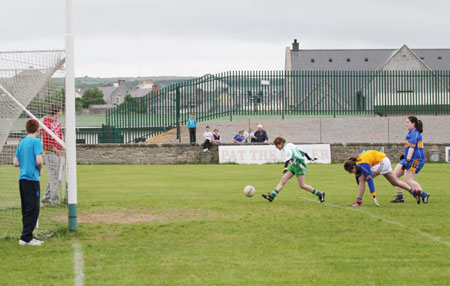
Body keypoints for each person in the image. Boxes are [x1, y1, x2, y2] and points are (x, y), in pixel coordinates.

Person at [343, 150, 424, 207]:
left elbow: (369, 180)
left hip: (382, 162)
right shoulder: (357, 165)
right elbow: (357, 179)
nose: (350, 173)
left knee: (362, 179)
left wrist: (373, 194)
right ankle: (415, 192)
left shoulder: (362, 164)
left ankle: (358, 201)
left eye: (350, 171)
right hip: (384, 160)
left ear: (353, 166)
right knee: (395, 182)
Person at [262, 137, 325, 203]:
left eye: (277, 146)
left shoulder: (286, 148)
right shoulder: (290, 144)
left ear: (281, 143)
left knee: (302, 185)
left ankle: (320, 194)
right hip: (294, 165)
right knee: (283, 181)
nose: (277, 148)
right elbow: (303, 151)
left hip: (298, 165)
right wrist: (309, 158)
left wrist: (285, 167)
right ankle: (271, 197)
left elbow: (289, 156)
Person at [13, 119, 45, 246]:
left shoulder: (21, 142)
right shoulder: (36, 141)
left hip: (22, 179)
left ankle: (26, 236)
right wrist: (40, 170)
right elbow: (39, 161)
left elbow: (15, 162)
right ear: (37, 129)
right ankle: (26, 238)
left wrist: (25, 164)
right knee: (34, 208)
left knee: (26, 208)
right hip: (32, 179)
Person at [391, 116, 430, 204]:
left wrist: (407, 160)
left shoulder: (415, 134)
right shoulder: (411, 133)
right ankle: (399, 197)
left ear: (413, 123)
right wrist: (405, 157)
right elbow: (409, 148)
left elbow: (412, 149)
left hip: (416, 160)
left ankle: (424, 195)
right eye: (406, 122)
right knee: (394, 175)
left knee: (408, 179)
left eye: (408, 122)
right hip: (408, 158)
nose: (406, 124)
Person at [41, 103, 65, 205]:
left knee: (57, 176)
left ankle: (46, 198)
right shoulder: (46, 123)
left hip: (58, 152)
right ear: (56, 111)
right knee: (55, 177)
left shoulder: (58, 123)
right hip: (49, 152)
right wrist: (56, 149)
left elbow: (59, 137)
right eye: (60, 110)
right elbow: (47, 140)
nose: (62, 112)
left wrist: (62, 148)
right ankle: (53, 200)